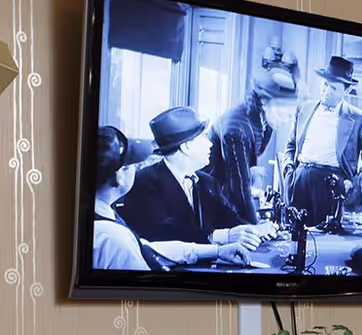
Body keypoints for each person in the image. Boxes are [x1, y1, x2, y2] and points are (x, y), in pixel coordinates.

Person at [116, 106, 275, 257]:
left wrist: (253, 229)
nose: (211, 144)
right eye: (204, 137)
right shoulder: (144, 182)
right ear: (186, 147)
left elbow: (228, 217)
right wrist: (222, 236)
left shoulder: (206, 182)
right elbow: (161, 233)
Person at [206, 45, 302, 225]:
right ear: (265, 100)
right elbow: (240, 191)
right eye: (284, 111)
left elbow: (252, 155)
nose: (286, 118)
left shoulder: (263, 119)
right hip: (209, 195)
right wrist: (256, 225)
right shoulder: (237, 128)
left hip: (226, 192)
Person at [284, 56, 362, 229]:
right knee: (294, 232)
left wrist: (351, 184)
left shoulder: (360, 119)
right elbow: (291, 145)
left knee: (325, 237)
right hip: (300, 179)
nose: (326, 91)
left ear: (346, 91)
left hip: (331, 184)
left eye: (333, 88)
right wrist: (289, 170)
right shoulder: (304, 108)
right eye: (325, 84)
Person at [89, 126, 147, 271]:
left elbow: (144, 247)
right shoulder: (113, 238)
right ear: (119, 176)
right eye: (134, 166)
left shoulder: (100, 216)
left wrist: (209, 251)